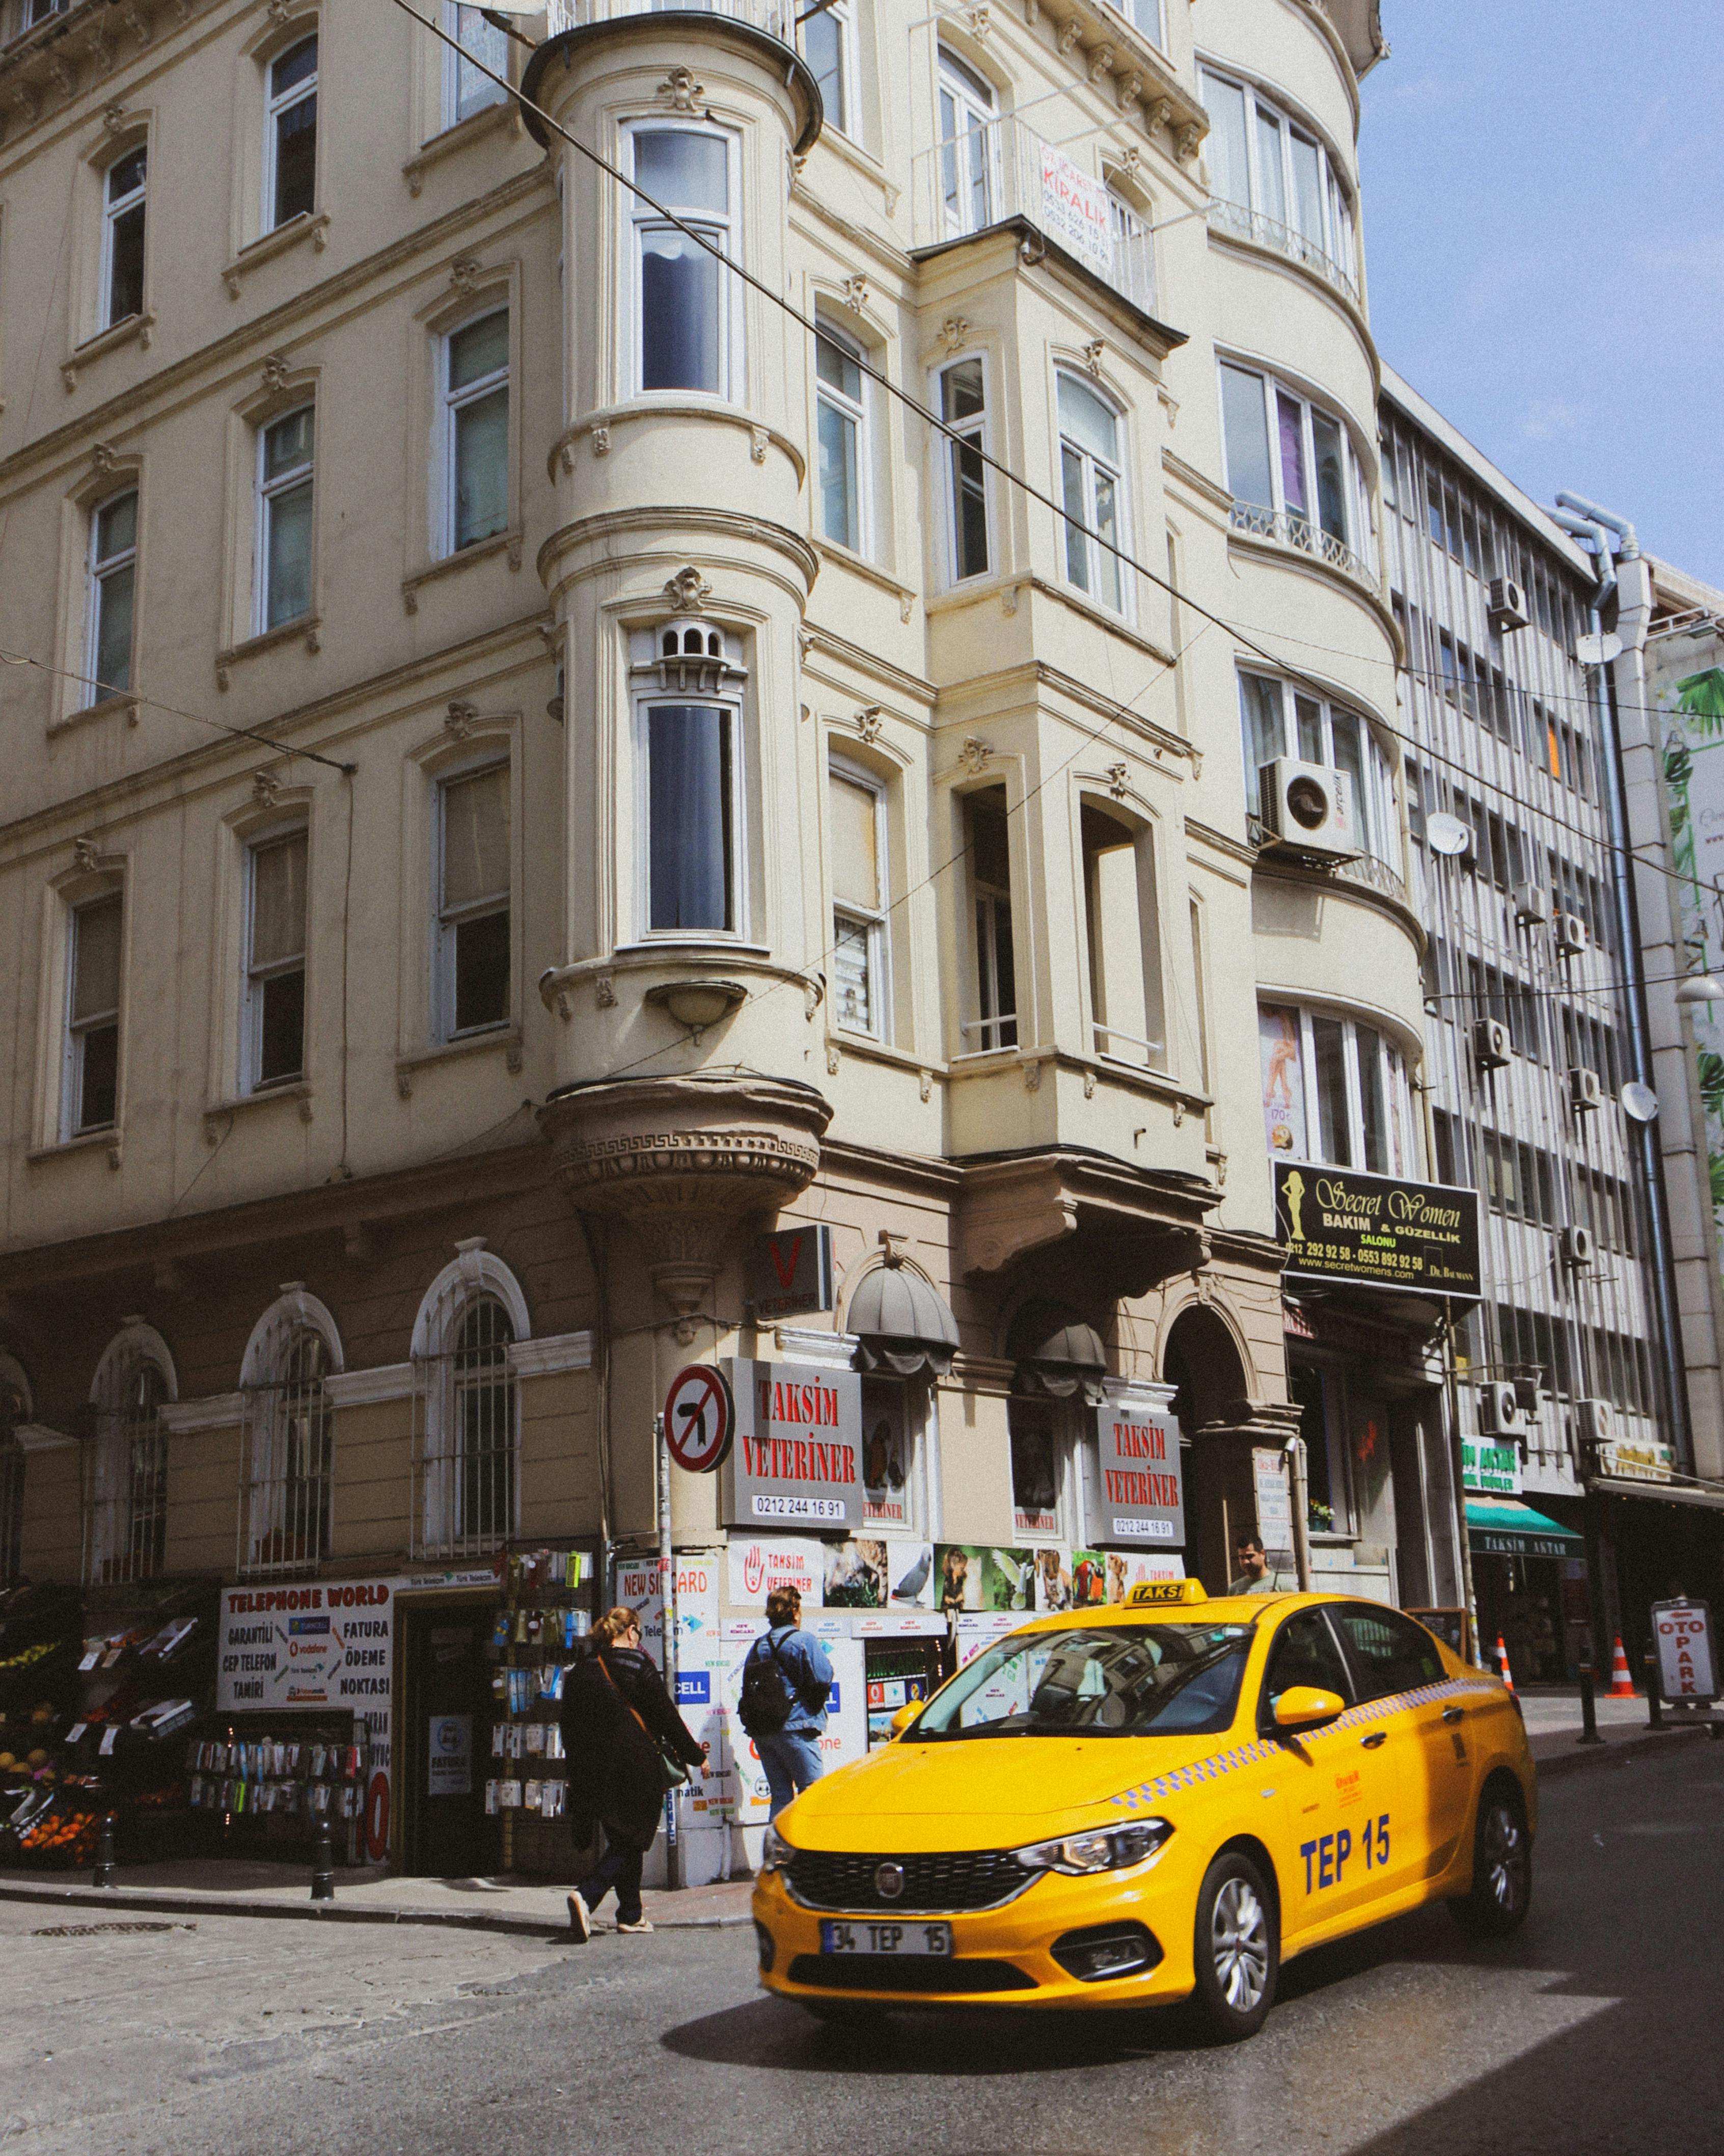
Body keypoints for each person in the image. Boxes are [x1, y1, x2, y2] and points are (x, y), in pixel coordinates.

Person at [560, 1605, 705, 1942]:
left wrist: (577, 1771)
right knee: (633, 1839)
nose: (639, 1639)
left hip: (594, 1771)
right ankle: (587, 1895)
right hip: (636, 1767)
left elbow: (568, 1726)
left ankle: (631, 1914)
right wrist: (695, 1756)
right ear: (629, 1631)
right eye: (637, 1632)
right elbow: (665, 1716)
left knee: (624, 1838)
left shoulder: (581, 1671)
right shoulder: (638, 1664)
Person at [744, 1586, 834, 1820]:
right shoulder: (803, 1640)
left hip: (765, 1732)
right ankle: (810, 1853)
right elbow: (824, 1676)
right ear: (794, 1612)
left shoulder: (758, 1646)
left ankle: (779, 1852)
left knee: (781, 1796)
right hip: (796, 1726)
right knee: (812, 1793)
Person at [1227, 1533, 1297, 1596]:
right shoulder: (1234, 1589)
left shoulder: (1283, 1586)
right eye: (1242, 1557)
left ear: (1262, 1554)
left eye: (1250, 1556)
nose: (1246, 1561)